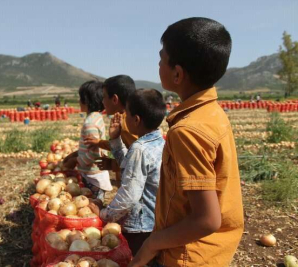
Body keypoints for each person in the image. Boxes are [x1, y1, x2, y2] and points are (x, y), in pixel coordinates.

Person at [130, 17, 244, 267]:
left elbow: (206, 219)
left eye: (161, 59)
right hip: (210, 253)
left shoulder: (188, 131)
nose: (158, 65)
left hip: (184, 256)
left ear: (177, 73)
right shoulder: (212, 113)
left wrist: (152, 243)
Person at [88, 89, 165, 256]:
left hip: (139, 227)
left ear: (136, 120)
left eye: (126, 114)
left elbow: (129, 195)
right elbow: (128, 165)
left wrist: (104, 214)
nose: (123, 118)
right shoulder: (159, 142)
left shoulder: (140, 148)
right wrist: (115, 139)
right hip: (156, 222)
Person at [63, 81, 112, 200]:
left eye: (81, 98)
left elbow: (94, 153)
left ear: (87, 101)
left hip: (93, 175)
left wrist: (76, 160)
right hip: (95, 172)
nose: (79, 101)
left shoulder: (90, 123)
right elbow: (93, 147)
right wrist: (76, 153)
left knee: (93, 205)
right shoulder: (97, 117)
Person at [84, 75, 138, 177]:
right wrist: (99, 143)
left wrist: (113, 164)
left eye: (104, 97)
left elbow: (137, 160)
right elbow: (124, 145)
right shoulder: (128, 118)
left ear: (114, 99)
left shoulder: (126, 124)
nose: (102, 101)